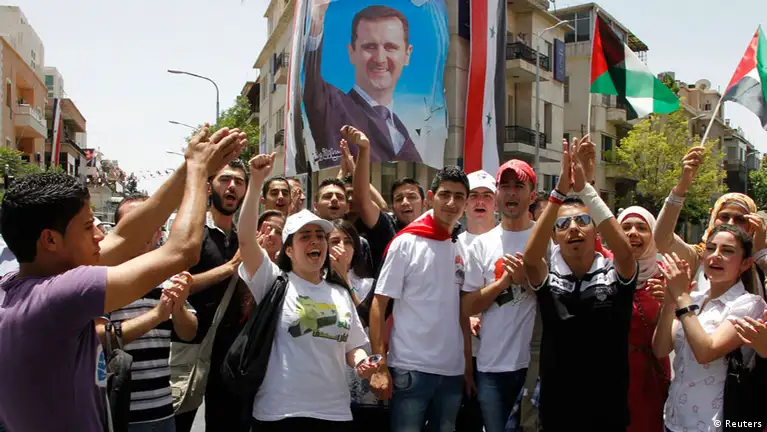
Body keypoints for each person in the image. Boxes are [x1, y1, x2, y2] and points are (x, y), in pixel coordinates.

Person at [0, 126, 245, 431]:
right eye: (88, 227)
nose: (100, 235)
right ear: (50, 239)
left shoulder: (20, 283)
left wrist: (190, 166)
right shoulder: (61, 294)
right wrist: (198, 173)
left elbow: (126, 236)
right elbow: (182, 251)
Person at [238, 152, 378, 431]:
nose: (315, 242)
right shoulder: (273, 281)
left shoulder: (340, 292)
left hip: (335, 414)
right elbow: (245, 239)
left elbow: (353, 346)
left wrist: (363, 363)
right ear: (289, 250)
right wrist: (255, 183)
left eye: (320, 236)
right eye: (305, 237)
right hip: (281, 414)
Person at [523, 136, 638, 431]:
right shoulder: (548, 277)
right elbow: (530, 259)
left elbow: (625, 252)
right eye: (562, 225)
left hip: (607, 411)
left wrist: (585, 188)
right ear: (554, 236)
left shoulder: (614, 273)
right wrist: (559, 192)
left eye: (582, 221)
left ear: (596, 230)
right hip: (558, 411)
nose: (573, 228)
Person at [368, 162, 472, 432]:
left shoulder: (462, 245)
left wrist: (467, 366)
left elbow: (462, 311)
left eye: (459, 196)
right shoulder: (406, 243)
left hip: (452, 373)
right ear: (431, 197)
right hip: (410, 370)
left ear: (466, 203)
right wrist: (379, 365)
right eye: (445, 194)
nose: (451, 203)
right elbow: (379, 304)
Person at [652, 225, 767, 432]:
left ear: (745, 263)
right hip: (674, 418)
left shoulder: (749, 304)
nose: (716, 256)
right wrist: (670, 302)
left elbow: (706, 352)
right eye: (711, 248)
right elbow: (660, 350)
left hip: (712, 422)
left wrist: (681, 298)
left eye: (727, 250)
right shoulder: (694, 299)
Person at [173, 159, 249, 432]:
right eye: (225, 179)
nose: (232, 186)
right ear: (209, 187)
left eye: (239, 182)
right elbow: (176, 285)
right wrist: (228, 269)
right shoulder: (191, 234)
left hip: (228, 354)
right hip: (190, 348)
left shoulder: (243, 239)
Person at [461, 160, 538, 432]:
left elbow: (556, 299)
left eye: (519, 186)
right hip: (491, 368)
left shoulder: (546, 239)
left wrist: (527, 281)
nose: (511, 192)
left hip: (534, 367)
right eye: (505, 186)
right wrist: (503, 282)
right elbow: (467, 306)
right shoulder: (481, 245)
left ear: (532, 195)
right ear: (498, 194)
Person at [304, 1, 421, 168]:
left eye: (390, 47)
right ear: (352, 52)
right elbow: (311, 80)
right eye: (370, 47)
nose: (380, 59)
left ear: (407, 54)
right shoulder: (331, 105)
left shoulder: (401, 130)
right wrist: (316, 21)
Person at [654, 146, 767, 295]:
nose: (730, 224)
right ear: (713, 218)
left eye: (740, 219)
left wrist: (761, 253)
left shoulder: (757, 260)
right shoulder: (699, 257)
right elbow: (661, 239)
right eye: (724, 217)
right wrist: (682, 185)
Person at [617, 207, 670, 432]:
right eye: (625, 227)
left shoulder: (665, 275)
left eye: (642, 227)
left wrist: (670, 301)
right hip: (615, 372)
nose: (633, 233)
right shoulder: (604, 271)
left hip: (652, 374)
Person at [328, 220, 382, 429]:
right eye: (335, 241)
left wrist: (344, 278)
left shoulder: (369, 283)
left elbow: (362, 321)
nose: (342, 247)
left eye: (348, 241)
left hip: (361, 368)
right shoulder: (314, 282)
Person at [455, 169, 497, 432]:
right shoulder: (452, 244)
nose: (480, 202)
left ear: (496, 202)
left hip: (501, 356)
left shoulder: (508, 241)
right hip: (459, 356)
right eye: (473, 196)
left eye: (487, 196)